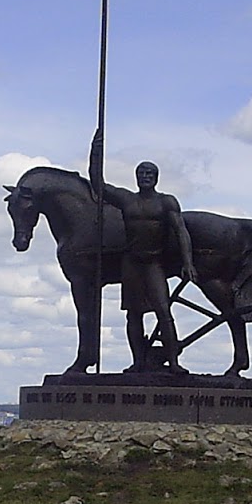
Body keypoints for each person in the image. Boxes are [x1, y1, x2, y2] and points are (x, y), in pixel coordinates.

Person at [89, 131, 197, 373]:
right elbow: (98, 184)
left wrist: (187, 262)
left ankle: (174, 363)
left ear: (156, 178)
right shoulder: (127, 199)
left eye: (149, 174)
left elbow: (181, 232)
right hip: (132, 263)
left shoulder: (166, 202)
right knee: (133, 315)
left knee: (163, 311)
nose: (145, 177)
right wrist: (96, 151)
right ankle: (138, 362)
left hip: (153, 263)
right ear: (136, 177)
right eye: (141, 173)